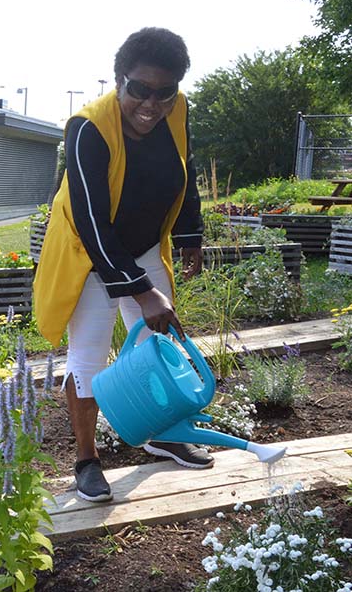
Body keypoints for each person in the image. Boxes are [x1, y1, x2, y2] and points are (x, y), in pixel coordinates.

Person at [33, 27, 208, 503]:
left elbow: (184, 172)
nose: (152, 103)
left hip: (145, 241)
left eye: (164, 92)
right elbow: (91, 222)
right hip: (88, 254)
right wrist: (142, 289)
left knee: (157, 347)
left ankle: (161, 434)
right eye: (140, 89)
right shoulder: (87, 129)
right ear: (118, 80)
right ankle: (87, 460)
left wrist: (190, 233)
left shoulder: (179, 110)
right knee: (88, 359)